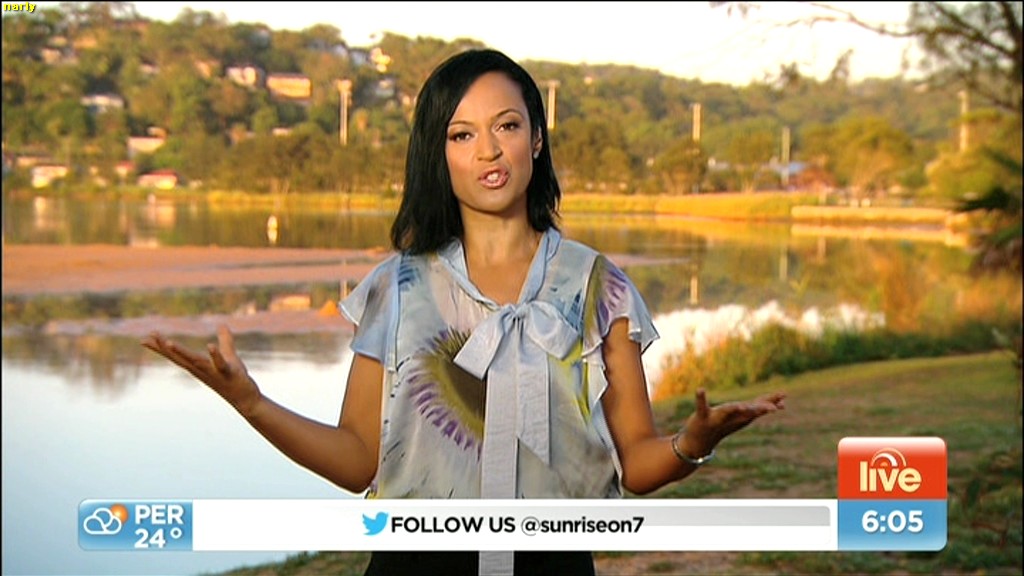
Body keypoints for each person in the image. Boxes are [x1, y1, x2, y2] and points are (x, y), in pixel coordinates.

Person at [142, 48, 786, 576]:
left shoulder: (598, 287)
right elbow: (358, 459)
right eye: (462, 134)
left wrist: (691, 444)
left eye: (507, 126)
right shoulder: (397, 287)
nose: (488, 151)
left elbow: (637, 462)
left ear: (537, 139)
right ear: (439, 153)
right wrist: (252, 403)